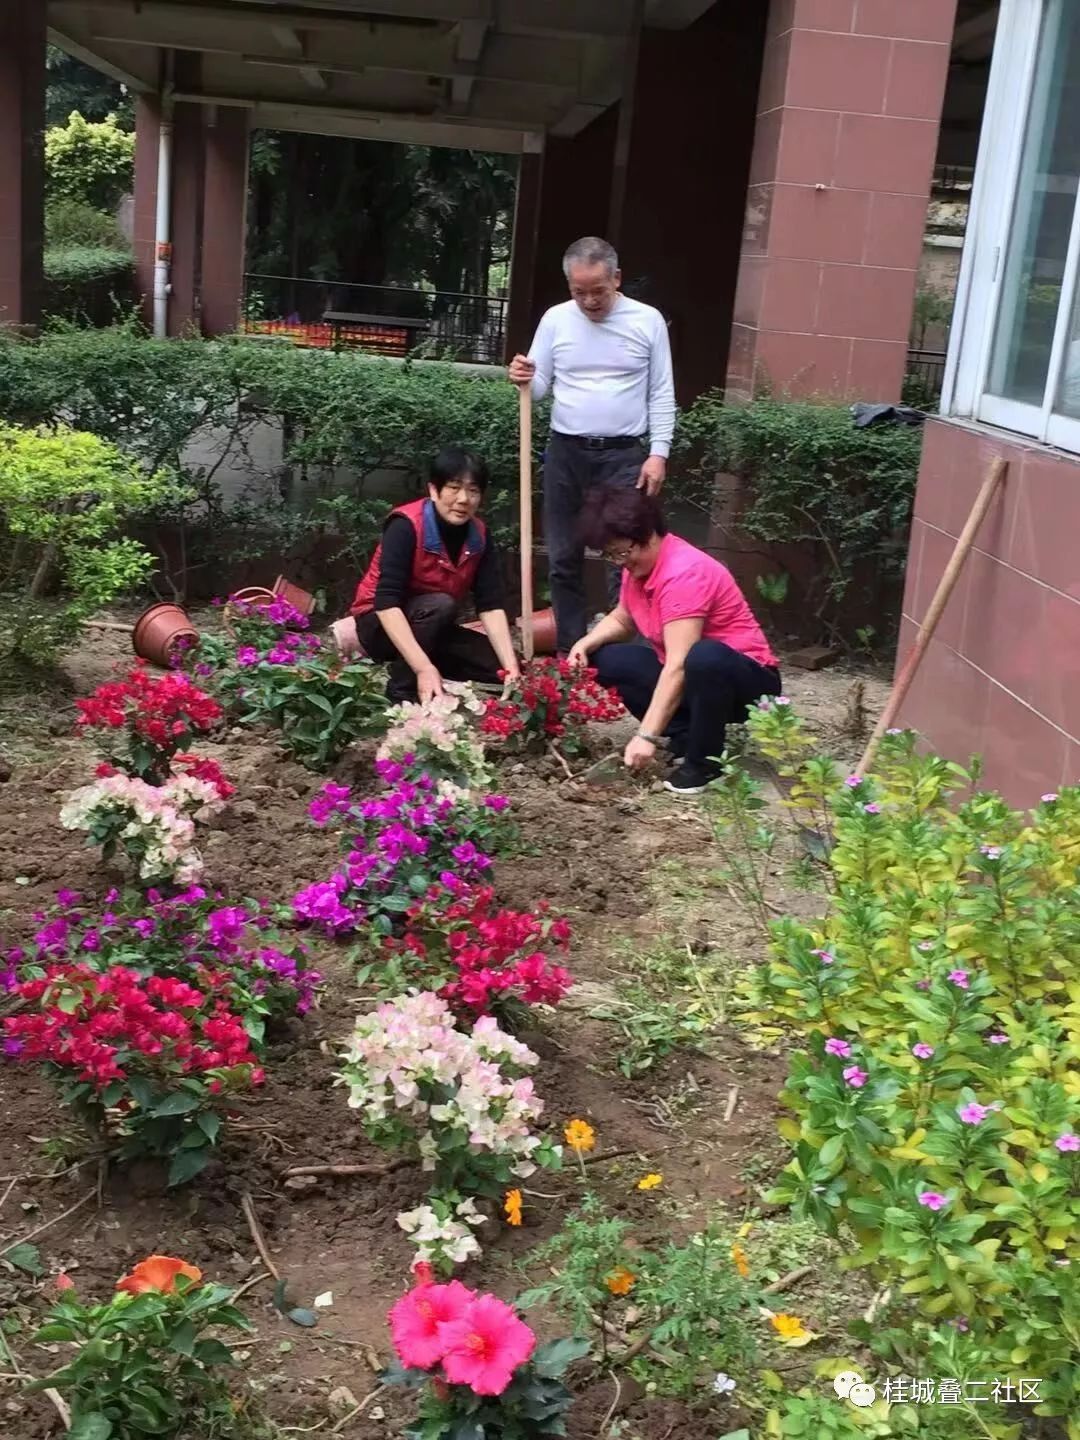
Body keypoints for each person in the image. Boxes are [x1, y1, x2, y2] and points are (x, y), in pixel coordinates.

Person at [507, 236, 676, 657]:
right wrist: (525, 375)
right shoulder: (556, 320)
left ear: (616, 279)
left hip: (623, 455)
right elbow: (540, 388)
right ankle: (570, 652)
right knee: (563, 555)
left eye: (597, 291)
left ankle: (631, 654)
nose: (589, 301)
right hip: (566, 452)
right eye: (578, 292)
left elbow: (661, 391)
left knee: (629, 556)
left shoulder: (647, 320)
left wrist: (659, 452)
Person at [569, 485, 782, 795]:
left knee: (704, 657)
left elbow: (679, 665)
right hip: (697, 677)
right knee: (606, 659)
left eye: (623, 552)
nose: (620, 562)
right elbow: (624, 619)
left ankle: (706, 762)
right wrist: (586, 643)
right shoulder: (637, 566)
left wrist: (646, 736)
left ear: (649, 532)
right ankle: (686, 735)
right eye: (611, 555)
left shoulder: (683, 573)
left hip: (746, 683)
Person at [348, 447, 520, 703]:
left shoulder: (480, 535)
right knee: (439, 605)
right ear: (433, 490)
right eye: (454, 487)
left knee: (501, 666)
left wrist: (510, 668)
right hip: (380, 625)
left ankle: (431, 671)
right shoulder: (406, 525)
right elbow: (386, 604)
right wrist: (422, 668)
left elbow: (491, 605)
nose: (463, 499)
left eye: (473, 491)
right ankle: (402, 693)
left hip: (434, 627)